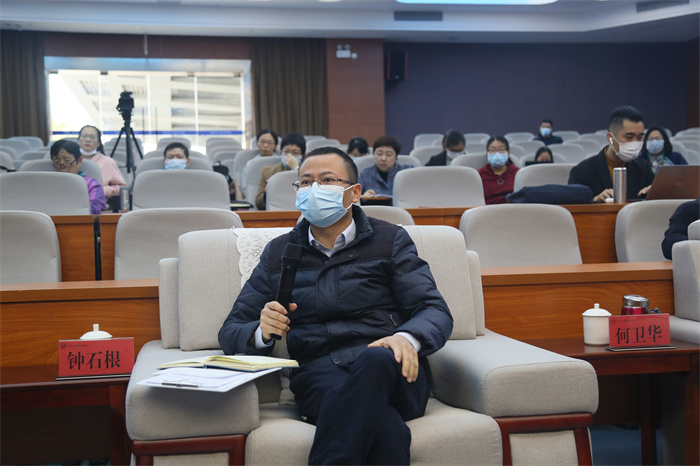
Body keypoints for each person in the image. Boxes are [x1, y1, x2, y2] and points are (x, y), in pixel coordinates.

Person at [218, 147, 453, 464]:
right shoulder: (280, 253)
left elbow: (433, 309)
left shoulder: (390, 240)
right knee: (385, 427)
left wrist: (405, 339)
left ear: (354, 192)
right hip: (322, 375)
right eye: (305, 182)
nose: (314, 189)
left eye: (327, 180)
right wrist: (261, 331)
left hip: (395, 369)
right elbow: (231, 330)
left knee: (374, 359)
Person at [568, 106, 655, 203]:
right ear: (610, 138)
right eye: (629, 137)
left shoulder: (643, 168)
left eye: (640, 138)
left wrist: (655, 193)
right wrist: (595, 200)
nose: (635, 143)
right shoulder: (582, 171)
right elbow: (573, 205)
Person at [51, 139, 106, 214]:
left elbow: (95, 209)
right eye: (57, 161)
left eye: (67, 160)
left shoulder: (91, 185)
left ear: (79, 161)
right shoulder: (48, 185)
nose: (62, 165)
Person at [78, 125, 126, 208]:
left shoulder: (108, 162)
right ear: (78, 140)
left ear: (98, 142)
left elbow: (122, 188)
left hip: (99, 206)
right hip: (73, 202)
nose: (88, 139)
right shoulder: (71, 161)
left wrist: (102, 191)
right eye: (84, 136)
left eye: (92, 137)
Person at [255, 132, 305, 210]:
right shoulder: (268, 172)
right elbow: (258, 204)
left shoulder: (308, 173)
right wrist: (267, 193)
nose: (290, 156)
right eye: (286, 152)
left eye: (295, 153)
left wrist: (296, 169)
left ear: (302, 156)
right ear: (281, 152)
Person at [358, 135, 413, 200]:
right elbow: (354, 198)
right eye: (379, 154)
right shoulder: (365, 174)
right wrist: (363, 196)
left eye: (389, 154)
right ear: (374, 155)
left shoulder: (407, 172)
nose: (383, 159)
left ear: (396, 156)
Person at [478, 135, 519, 204]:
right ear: (487, 154)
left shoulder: (518, 173)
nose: (497, 154)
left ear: (508, 153)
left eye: (501, 150)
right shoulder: (479, 175)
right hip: (488, 209)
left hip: (513, 209)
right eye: (493, 150)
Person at [242, 129, 278, 199]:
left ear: (275, 145)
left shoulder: (280, 162)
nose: (265, 145)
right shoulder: (250, 164)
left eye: (270, 142)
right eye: (262, 142)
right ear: (257, 143)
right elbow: (244, 188)